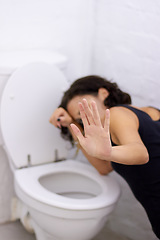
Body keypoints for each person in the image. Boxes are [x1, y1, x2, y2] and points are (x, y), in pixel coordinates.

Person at [49, 75, 160, 239]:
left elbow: (140, 153)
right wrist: (72, 124)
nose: (86, 118)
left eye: (84, 110)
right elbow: (105, 167)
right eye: (80, 118)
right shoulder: (149, 111)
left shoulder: (116, 115)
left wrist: (106, 152)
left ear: (103, 93)